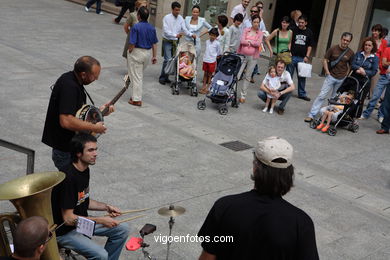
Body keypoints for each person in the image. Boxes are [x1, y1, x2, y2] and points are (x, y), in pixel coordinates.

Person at [198, 136, 319, 260]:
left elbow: (208, 256)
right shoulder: (301, 222)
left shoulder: (224, 206)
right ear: (289, 174)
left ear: (255, 168)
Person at [51, 134, 130, 260]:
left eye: (96, 149)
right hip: (65, 231)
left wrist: (106, 207)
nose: (96, 153)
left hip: (81, 224)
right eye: (90, 150)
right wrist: (101, 220)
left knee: (123, 229)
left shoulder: (84, 169)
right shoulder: (68, 178)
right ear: (78, 153)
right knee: (101, 255)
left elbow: (84, 201)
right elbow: (68, 219)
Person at [42, 56, 114, 170]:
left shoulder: (73, 80)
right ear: (83, 74)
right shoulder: (69, 86)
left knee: (80, 184)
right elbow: (66, 121)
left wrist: (100, 112)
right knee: (73, 186)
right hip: (65, 149)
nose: (96, 78)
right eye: (94, 76)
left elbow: (78, 113)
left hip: (72, 147)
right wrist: (94, 127)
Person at [304, 32, 354, 122]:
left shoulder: (350, 53)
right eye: (344, 39)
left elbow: (351, 65)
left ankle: (329, 116)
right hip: (331, 76)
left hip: (341, 79)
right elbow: (325, 60)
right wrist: (327, 71)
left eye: (348, 41)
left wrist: (347, 75)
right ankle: (311, 115)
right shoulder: (333, 48)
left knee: (335, 98)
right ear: (341, 39)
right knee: (321, 96)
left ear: (349, 42)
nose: (345, 42)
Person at [127, 6, 158, 107]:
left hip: (137, 52)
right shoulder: (152, 27)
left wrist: (130, 51)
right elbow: (154, 43)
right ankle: (135, 96)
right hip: (147, 53)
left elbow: (132, 43)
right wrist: (154, 56)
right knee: (138, 74)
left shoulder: (136, 27)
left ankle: (136, 99)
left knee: (137, 76)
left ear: (138, 16)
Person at [159, 2, 195, 85]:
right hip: (168, 41)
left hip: (176, 41)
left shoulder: (181, 18)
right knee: (167, 59)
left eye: (179, 10)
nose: (178, 12)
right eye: (176, 10)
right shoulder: (166, 18)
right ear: (172, 9)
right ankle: (162, 77)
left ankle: (166, 77)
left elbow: (184, 29)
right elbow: (166, 31)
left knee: (173, 59)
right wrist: (175, 35)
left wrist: (191, 34)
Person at [237, 15, 266, 103]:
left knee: (247, 76)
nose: (256, 24)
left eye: (258, 22)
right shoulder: (246, 30)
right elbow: (242, 41)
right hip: (242, 55)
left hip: (253, 57)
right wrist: (251, 42)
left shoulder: (260, 33)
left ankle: (243, 95)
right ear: (251, 22)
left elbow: (258, 44)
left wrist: (249, 41)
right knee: (237, 74)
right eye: (255, 22)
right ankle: (232, 91)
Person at [287, 14, 313, 101]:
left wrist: (307, 56)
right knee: (288, 75)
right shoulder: (294, 30)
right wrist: (289, 52)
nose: (300, 24)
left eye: (302, 22)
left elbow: (310, 46)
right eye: (299, 22)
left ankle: (301, 94)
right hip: (293, 56)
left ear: (306, 23)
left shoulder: (309, 32)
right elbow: (289, 41)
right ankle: (286, 91)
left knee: (302, 76)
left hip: (302, 58)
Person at [351, 37, 379, 118]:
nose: (367, 47)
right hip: (354, 79)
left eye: (369, 45)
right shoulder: (359, 54)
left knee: (360, 100)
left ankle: (356, 116)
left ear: (372, 47)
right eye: (366, 45)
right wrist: (359, 68)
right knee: (351, 96)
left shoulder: (375, 58)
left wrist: (364, 72)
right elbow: (353, 64)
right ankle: (347, 114)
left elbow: (374, 71)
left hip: (365, 81)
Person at [361, 45, 390, 122]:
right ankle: (366, 113)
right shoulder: (387, 49)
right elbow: (384, 63)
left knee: (386, 99)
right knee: (375, 96)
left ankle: (381, 115)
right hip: (384, 76)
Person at [368, 24, 388, 99]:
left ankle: (374, 102)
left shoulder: (384, 42)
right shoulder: (369, 40)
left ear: (380, 32)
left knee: (375, 85)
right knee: (365, 84)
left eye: (376, 31)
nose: (374, 32)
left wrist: (382, 66)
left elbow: (384, 54)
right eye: (373, 30)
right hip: (367, 64)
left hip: (377, 66)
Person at [200, 28, 221, 94]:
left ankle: (208, 88)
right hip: (206, 60)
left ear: (216, 36)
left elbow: (219, 52)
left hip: (212, 61)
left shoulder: (217, 43)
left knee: (210, 75)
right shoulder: (207, 41)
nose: (212, 37)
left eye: (214, 35)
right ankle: (203, 86)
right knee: (205, 74)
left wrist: (215, 57)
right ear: (209, 35)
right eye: (211, 35)